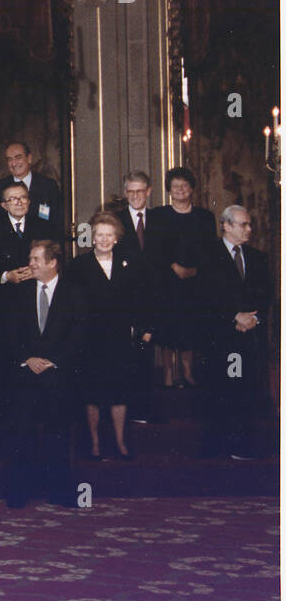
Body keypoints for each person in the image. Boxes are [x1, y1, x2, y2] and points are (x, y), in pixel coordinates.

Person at [4, 240, 87, 509]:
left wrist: (53, 361)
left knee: (58, 437)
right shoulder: (19, 293)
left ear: (53, 262)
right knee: (21, 437)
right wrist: (28, 359)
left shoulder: (75, 293)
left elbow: (79, 334)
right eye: (31, 258)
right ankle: (18, 493)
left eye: (36, 259)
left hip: (59, 376)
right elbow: (10, 332)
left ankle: (60, 493)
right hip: (25, 376)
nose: (31, 263)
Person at [70, 213, 153, 461]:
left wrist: (144, 327)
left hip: (119, 338)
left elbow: (139, 299)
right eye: (100, 235)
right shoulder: (79, 265)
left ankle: (119, 441)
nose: (104, 239)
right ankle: (94, 443)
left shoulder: (129, 263)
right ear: (92, 238)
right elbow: (72, 304)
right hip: (90, 339)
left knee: (120, 392)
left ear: (116, 238)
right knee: (92, 394)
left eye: (109, 235)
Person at [198, 205, 269, 460]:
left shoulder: (258, 257)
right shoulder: (208, 255)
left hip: (250, 337)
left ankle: (244, 446)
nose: (249, 229)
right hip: (220, 338)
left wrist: (253, 318)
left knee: (247, 391)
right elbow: (205, 295)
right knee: (221, 391)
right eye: (243, 224)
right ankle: (219, 447)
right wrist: (233, 317)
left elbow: (266, 295)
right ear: (226, 226)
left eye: (249, 224)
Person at [147, 167, 216, 390]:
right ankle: (168, 372)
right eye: (175, 186)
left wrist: (195, 270)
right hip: (167, 280)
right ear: (169, 190)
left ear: (192, 189)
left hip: (195, 281)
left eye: (184, 185)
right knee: (167, 328)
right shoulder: (157, 215)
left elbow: (210, 250)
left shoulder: (205, 217)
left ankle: (187, 370)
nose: (180, 190)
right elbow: (154, 249)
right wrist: (173, 266)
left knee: (191, 327)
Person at [117, 171, 165, 425]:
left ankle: (146, 409)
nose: (135, 196)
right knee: (128, 358)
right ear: (126, 194)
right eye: (130, 191)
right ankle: (131, 410)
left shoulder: (159, 220)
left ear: (148, 191)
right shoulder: (117, 221)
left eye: (140, 191)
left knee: (148, 355)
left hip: (155, 299)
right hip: (126, 299)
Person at [0, 182, 53, 296]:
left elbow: (53, 259)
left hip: (36, 291)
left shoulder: (43, 226)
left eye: (23, 198)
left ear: (29, 201)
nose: (19, 202)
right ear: (4, 205)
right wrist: (6, 276)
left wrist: (36, 270)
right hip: (4, 295)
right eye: (13, 199)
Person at [0, 141, 63, 239]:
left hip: (40, 245)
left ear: (29, 158)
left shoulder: (48, 186)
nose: (14, 163)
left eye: (18, 157)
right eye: (9, 159)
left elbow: (57, 221)